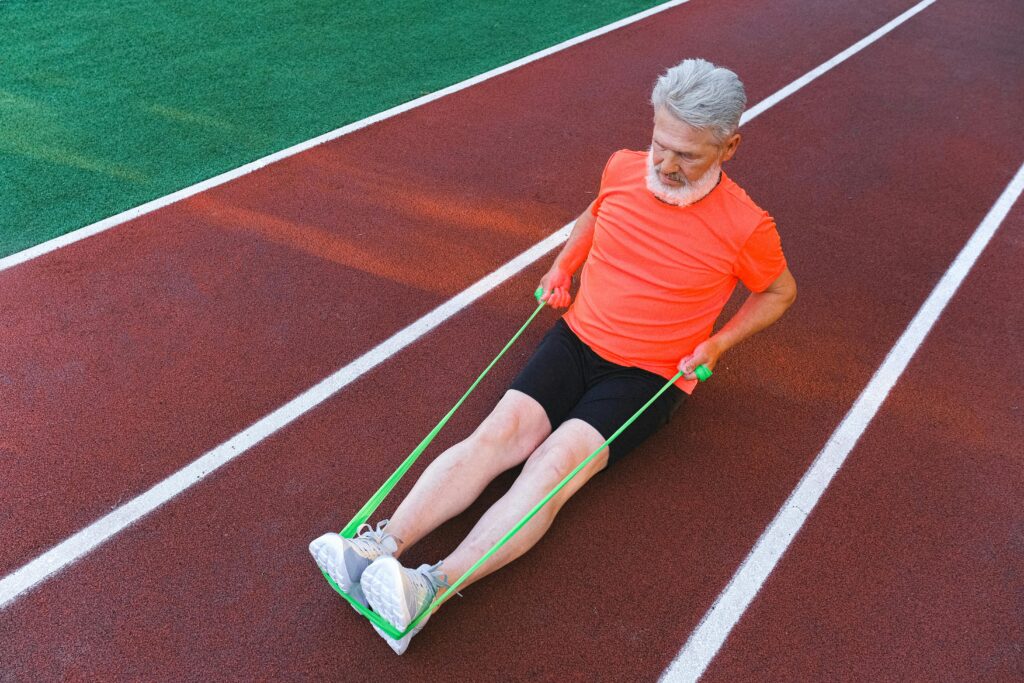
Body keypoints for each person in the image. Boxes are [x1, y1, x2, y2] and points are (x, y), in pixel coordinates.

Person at [309, 57, 797, 654]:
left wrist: (718, 344)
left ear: (729, 147)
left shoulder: (747, 226)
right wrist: (563, 266)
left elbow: (778, 292)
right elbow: (594, 215)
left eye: (687, 156)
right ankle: (377, 549)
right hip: (577, 337)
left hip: (650, 376)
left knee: (551, 467)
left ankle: (428, 590)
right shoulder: (623, 167)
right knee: (498, 436)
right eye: (659, 145)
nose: (666, 166)